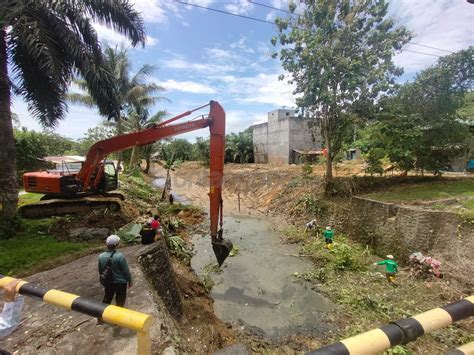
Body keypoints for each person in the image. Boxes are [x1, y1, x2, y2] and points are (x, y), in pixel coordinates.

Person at [98, 235, 132, 308]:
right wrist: (129, 280)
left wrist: (104, 278)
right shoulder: (120, 256)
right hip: (120, 282)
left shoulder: (101, 256)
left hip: (108, 281)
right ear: (117, 245)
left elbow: (101, 270)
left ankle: (101, 316)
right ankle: (117, 317)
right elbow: (125, 270)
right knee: (120, 300)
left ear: (106, 244)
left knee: (107, 299)